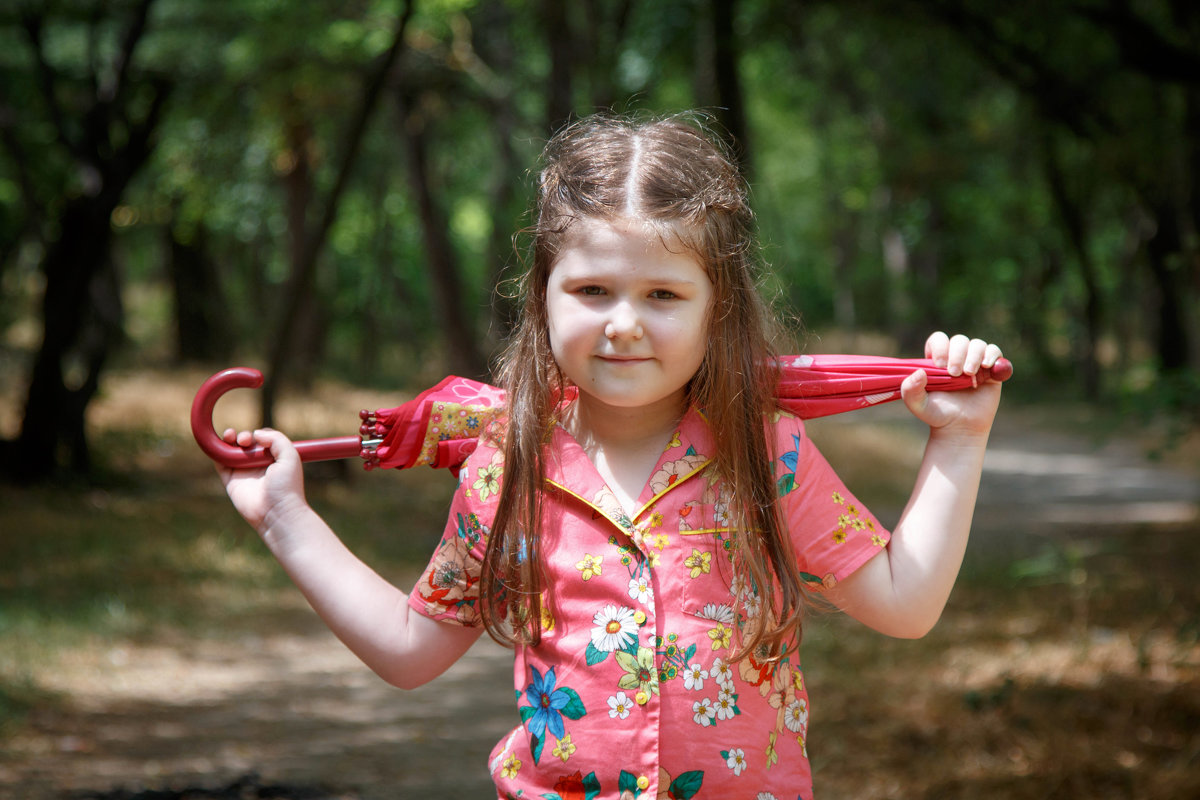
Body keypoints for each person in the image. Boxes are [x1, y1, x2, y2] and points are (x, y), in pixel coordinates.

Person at [218, 113, 1005, 800]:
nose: (624, 324)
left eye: (663, 296)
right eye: (592, 290)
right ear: (543, 299)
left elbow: (906, 605)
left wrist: (959, 438)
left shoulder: (765, 453)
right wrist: (283, 516)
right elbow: (408, 650)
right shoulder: (506, 468)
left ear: (716, 313)